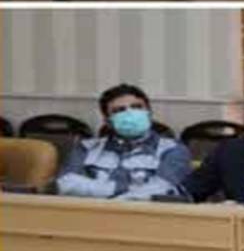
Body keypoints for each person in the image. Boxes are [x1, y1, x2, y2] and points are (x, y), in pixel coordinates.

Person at [56, 83, 191, 200]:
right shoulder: (86, 147)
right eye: (119, 110)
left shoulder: (173, 150)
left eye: (137, 107)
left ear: (149, 113)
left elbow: (161, 190)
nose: (130, 114)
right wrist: (120, 188)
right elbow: (65, 185)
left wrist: (98, 191)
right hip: (90, 216)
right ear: (107, 121)